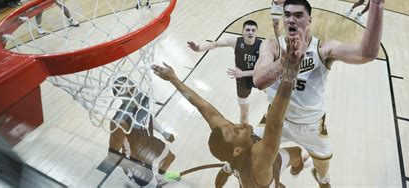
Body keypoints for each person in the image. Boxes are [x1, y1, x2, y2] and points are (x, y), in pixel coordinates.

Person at [253, 0, 409, 188]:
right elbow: (258, 81)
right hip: (277, 120)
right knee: (252, 160)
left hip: (310, 124)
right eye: (287, 15)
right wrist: (283, 65)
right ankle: (294, 157)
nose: (291, 20)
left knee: (323, 169)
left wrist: (377, 0)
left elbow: (367, 53)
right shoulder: (272, 45)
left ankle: (320, 177)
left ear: (309, 19)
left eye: (298, 15)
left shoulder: (324, 48)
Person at [152, 40, 306, 188]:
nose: (239, 125)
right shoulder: (259, 162)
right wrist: (289, 76)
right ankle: (292, 171)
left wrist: (174, 79)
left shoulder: (229, 141)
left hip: (237, 163)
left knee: (226, 169)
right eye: (236, 131)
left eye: (233, 126)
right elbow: (274, 125)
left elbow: (202, 106)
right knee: (297, 152)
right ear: (237, 149)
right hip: (265, 176)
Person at [106, 76, 180, 187]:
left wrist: (163, 132)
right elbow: (112, 156)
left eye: (131, 86)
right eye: (125, 90)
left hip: (148, 142)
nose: (131, 90)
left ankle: (161, 178)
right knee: (149, 184)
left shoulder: (142, 100)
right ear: (118, 95)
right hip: (135, 157)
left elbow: (148, 117)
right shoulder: (120, 122)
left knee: (170, 157)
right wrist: (136, 166)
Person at [187, 20, 262, 124]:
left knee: (274, 94)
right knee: (244, 111)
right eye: (247, 30)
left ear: (257, 33)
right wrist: (198, 49)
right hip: (243, 80)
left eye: (253, 30)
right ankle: (245, 133)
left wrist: (243, 73)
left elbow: (264, 70)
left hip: (258, 76)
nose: (250, 32)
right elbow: (216, 44)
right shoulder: (236, 42)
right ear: (242, 32)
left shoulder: (262, 46)